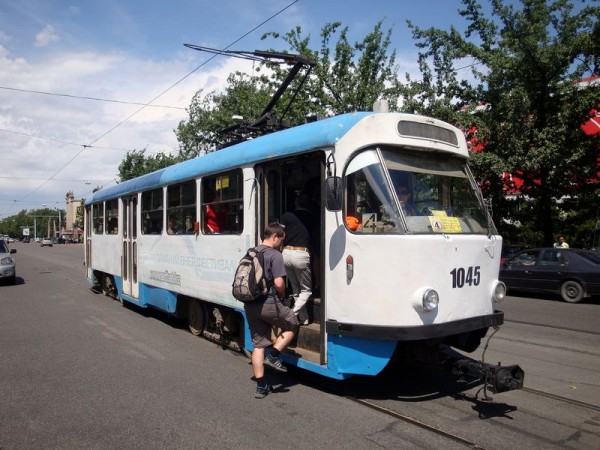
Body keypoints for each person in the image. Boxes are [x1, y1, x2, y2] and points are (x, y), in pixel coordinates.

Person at [244, 222, 299, 399]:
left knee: (258, 346)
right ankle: (274, 356)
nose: (281, 244)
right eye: (281, 240)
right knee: (292, 324)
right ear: (274, 237)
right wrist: (283, 296)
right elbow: (279, 283)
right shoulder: (275, 255)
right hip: (268, 303)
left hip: (251, 305)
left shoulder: (251, 252)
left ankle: (261, 387)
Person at [281, 195, 316, 325]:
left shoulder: (287, 215)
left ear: (296, 202)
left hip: (286, 253)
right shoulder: (312, 217)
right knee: (306, 290)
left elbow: (280, 233)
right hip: (301, 254)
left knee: (296, 289)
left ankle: (304, 318)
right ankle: (292, 313)